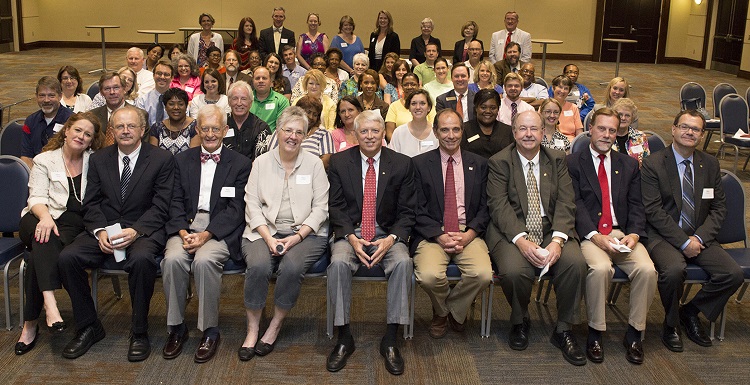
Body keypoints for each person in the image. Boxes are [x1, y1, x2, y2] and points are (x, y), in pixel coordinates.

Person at [58, 105, 175, 361]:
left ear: (142, 130)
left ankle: (139, 331)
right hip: (105, 230)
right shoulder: (99, 159)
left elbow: (161, 205)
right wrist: (100, 231)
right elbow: (91, 202)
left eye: (131, 126)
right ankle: (89, 325)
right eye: (119, 126)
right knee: (68, 258)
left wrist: (136, 231)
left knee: (142, 260)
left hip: (142, 230)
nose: (125, 131)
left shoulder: (161, 160)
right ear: (112, 130)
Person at [485, 110, 587, 366]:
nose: (528, 134)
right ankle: (520, 320)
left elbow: (566, 201)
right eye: (522, 129)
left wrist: (558, 240)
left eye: (534, 129)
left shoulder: (557, 159)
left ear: (544, 132)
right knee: (513, 271)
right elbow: (498, 206)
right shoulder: (499, 161)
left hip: (551, 228)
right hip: (512, 230)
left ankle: (564, 329)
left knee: (576, 264)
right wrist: (520, 239)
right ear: (514, 132)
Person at [643, 110, 744, 352]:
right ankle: (671, 325)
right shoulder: (653, 163)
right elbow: (653, 210)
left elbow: (719, 208)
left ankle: (690, 311)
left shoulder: (709, 163)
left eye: (696, 129)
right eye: (685, 127)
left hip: (700, 236)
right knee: (674, 270)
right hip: (663, 236)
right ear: (674, 129)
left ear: (701, 135)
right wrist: (683, 242)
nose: (689, 132)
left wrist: (698, 238)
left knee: (732, 274)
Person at [326, 110, 416, 375]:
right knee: (339, 262)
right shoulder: (340, 162)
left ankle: (390, 338)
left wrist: (390, 240)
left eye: (375, 131)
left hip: (386, 233)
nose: (369, 136)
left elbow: (407, 211)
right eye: (363, 131)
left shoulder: (402, 164)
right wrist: (351, 239)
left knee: (403, 262)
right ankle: (344, 337)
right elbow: (335, 206)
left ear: (382, 134)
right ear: (355, 133)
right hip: (350, 232)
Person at [161, 104, 251, 363]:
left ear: (225, 130)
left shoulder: (241, 164)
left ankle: (210, 330)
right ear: (197, 130)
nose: (210, 134)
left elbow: (236, 209)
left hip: (219, 231)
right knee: (174, 260)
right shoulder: (180, 161)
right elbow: (174, 200)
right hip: (185, 227)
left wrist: (207, 235)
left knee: (204, 260)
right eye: (205, 128)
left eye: (215, 128)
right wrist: (182, 231)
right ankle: (176, 328)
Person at [567, 108, 656, 365]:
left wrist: (635, 234)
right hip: (591, 234)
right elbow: (575, 204)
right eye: (602, 129)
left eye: (612, 131)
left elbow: (637, 204)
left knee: (647, 270)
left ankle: (635, 333)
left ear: (617, 134)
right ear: (591, 129)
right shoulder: (573, 163)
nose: (606, 135)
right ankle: (596, 331)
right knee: (600, 267)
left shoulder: (628, 164)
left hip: (622, 233)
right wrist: (595, 236)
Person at [239, 106, 329, 361]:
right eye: (287, 130)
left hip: (307, 233)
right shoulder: (261, 163)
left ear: (305, 135)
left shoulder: (314, 165)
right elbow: (252, 204)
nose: (292, 136)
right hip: (262, 230)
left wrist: (298, 236)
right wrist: (268, 238)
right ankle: (253, 328)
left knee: (290, 267)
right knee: (257, 266)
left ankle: (275, 324)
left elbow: (321, 208)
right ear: (277, 132)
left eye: (298, 132)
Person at [15, 112, 104, 356]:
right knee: (41, 233)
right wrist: (44, 218)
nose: (81, 136)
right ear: (66, 131)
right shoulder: (45, 160)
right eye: (77, 130)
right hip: (37, 217)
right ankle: (50, 303)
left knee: (36, 256)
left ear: (91, 140)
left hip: (71, 225)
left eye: (88, 134)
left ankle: (30, 324)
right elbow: (36, 197)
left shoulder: (94, 161)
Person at [412, 108, 492, 339]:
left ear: (462, 131)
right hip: (432, 235)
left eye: (456, 129)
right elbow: (416, 208)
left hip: (468, 233)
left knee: (483, 274)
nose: (451, 135)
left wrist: (469, 235)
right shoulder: (418, 164)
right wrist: (439, 235)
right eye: (444, 129)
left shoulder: (479, 164)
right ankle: (444, 311)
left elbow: (486, 207)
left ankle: (451, 310)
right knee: (428, 276)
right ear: (435, 132)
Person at [263, 95, 334, 168]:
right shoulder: (282, 130)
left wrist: (304, 171)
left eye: (315, 115)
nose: (311, 117)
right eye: (308, 112)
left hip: (311, 174)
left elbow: (326, 160)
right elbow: (271, 154)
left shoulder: (323, 134)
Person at [20, 77, 74, 168]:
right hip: (36, 171)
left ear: (60, 96)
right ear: (36, 96)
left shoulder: (72, 120)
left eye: (51, 96)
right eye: (42, 95)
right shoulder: (30, 121)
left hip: (64, 170)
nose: (46, 100)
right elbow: (26, 156)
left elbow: (75, 158)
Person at [89, 72, 149, 147]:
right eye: (107, 89)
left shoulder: (140, 115)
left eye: (116, 87)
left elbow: (144, 147)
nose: (112, 92)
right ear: (101, 93)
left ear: (124, 89)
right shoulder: (93, 116)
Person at [223, 81, 272, 163]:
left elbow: (261, 161)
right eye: (235, 98)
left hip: (251, 173)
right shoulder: (220, 124)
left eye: (244, 99)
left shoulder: (262, 128)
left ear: (251, 102)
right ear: (229, 101)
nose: (239, 103)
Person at [461, 89, 513, 158]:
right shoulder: (464, 129)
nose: (488, 111)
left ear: (498, 109)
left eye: (493, 108)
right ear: (476, 108)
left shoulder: (508, 131)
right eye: (483, 107)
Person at [385, 73, 435, 141]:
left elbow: (434, 128)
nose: (409, 87)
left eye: (413, 84)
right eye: (406, 85)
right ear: (402, 86)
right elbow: (389, 133)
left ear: (418, 85)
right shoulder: (394, 106)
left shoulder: (427, 105)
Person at [149, 87, 200, 155]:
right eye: (171, 104)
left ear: (186, 106)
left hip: (187, 165)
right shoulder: (157, 128)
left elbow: (193, 157)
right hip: (162, 165)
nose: (176, 107)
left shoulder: (195, 126)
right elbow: (153, 156)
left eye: (180, 104)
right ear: (165, 107)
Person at [389, 89, 439, 157]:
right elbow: (392, 159)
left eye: (422, 103)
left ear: (429, 107)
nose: (418, 107)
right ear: (409, 107)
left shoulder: (437, 132)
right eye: (413, 104)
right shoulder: (399, 133)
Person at [249, 66, 291, 132]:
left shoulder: (282, 101)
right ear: (253, 81)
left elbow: (282, 128)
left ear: (271, 81)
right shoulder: (245, 99)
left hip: (271, 140)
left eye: (264, 78)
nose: (261, 81)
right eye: (257, 78)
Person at [611, 98, 649, 166]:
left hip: (636, 175)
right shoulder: (607, 136)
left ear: (632, 118)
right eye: (620, 115)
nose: (623, 118)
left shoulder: (641, 137)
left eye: (627, 115)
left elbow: (646, 164)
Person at [136, 61, 174, 128]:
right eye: (159, 73)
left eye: (166, 74)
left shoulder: (179, 100)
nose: (162, 77)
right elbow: (140, 124)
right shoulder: (143, 100)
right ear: (153, 76)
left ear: (172, 78)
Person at [550, 75, 583, 141]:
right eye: (560, 87)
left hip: (570, 143)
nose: (562, 91)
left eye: (566, 88)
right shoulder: (545, 107)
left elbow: (579, 131)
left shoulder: (573, 108)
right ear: (553, 88)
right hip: (551, 142)